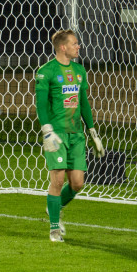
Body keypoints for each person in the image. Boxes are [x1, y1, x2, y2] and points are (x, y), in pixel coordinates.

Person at [34, 29, 105, 242]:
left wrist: (92, 131)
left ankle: (54, 208)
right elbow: (41, 104)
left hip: (76, 135)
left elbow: (83, 102)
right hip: (56, 135)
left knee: (77, 183)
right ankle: (54, 229)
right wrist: (47, 130)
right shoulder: (46, 72)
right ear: (63, 47)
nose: (79, 46)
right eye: (75, 43)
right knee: (56, 180)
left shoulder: (79, 71)